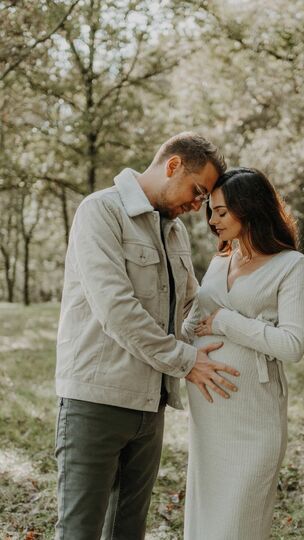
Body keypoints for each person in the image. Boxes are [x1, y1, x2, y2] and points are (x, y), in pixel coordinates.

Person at [54, 132, 240, 540]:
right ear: (172, 165)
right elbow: (117, 311)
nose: (198, 206)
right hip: (95, 402)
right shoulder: (99, 211)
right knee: (79, 531)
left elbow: (192, 305)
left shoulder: (174, 231)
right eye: (197, 191)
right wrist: (188, 362)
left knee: (128, 530)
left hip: (151, 404)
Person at [182, 167, 304, 540]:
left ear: (250, 208)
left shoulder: (290, 265)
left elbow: (292, 344)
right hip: (208, 416)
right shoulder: (221, 261)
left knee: (238, 525)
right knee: (206, 522)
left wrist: (226, 322)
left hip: (253, 416)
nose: (212, 220)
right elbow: (193, 324)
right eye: (211, 210)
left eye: (222, 211)